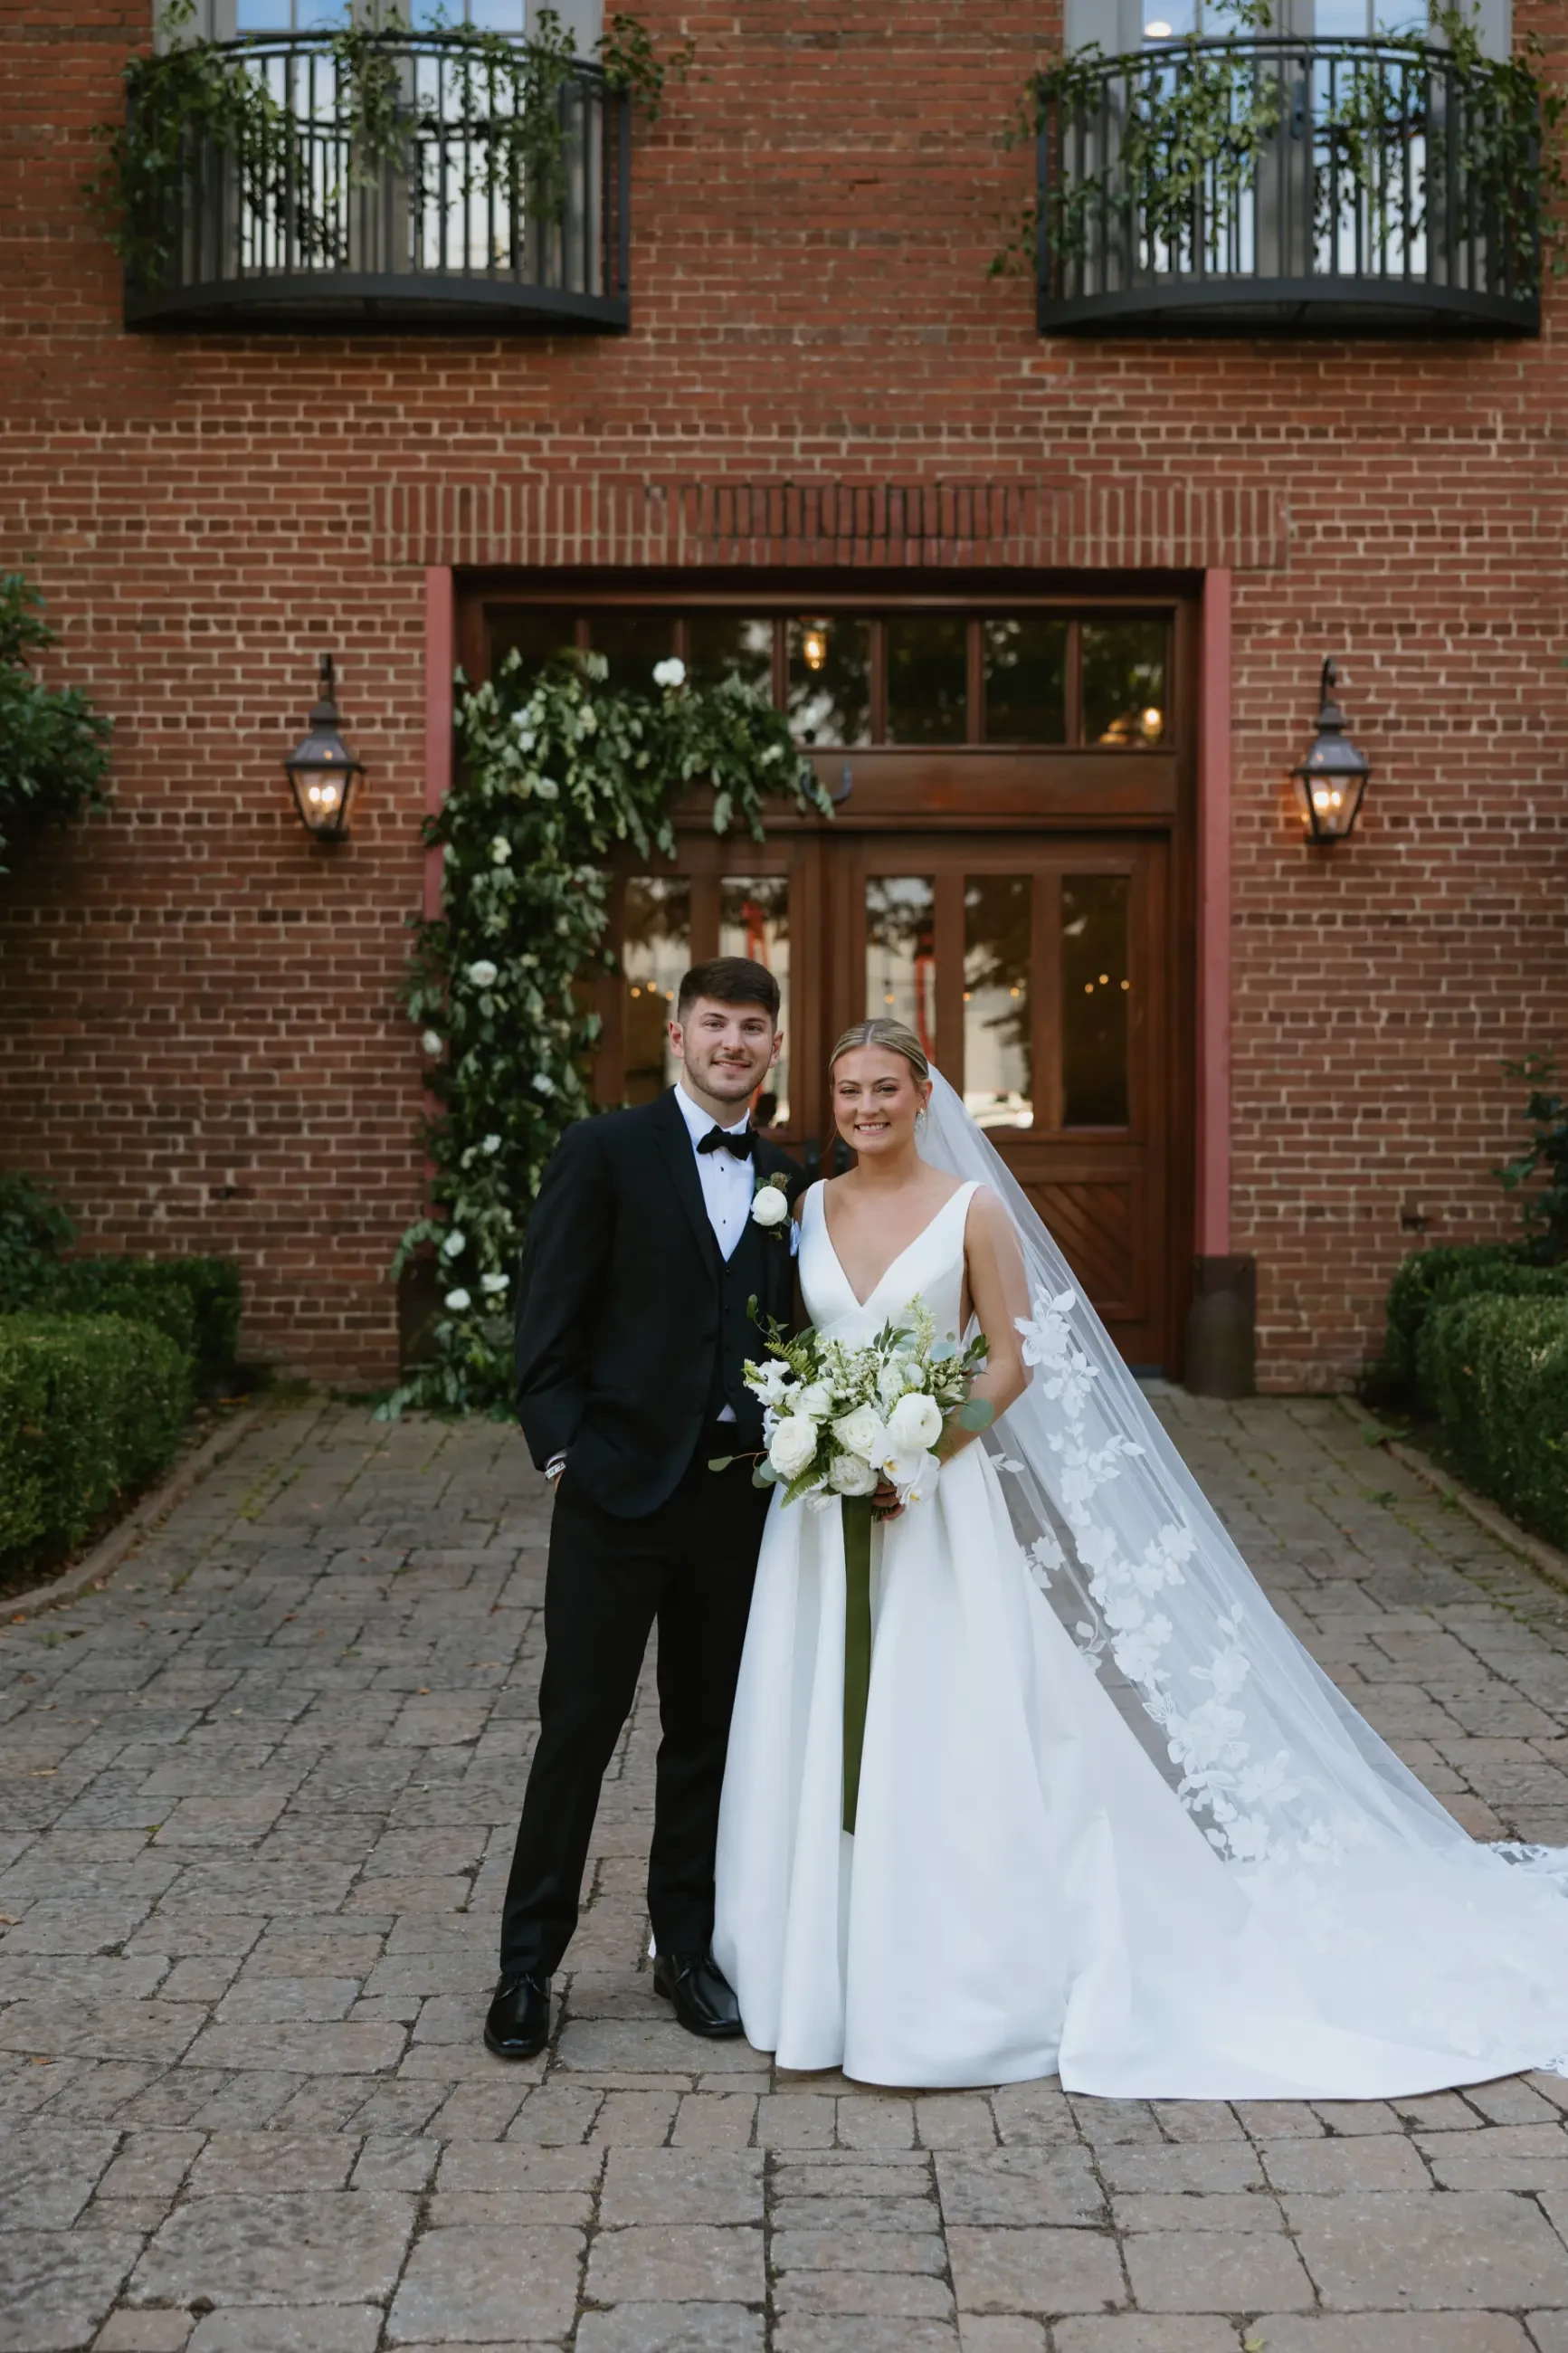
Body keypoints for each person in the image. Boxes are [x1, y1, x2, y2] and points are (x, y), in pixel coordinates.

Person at [713, 1017, 1568, 2095]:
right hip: (817, 1507)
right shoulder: (802, 1209)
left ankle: (950, 1972)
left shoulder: (972, 1210)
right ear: (826, 1100)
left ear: (925, 1092)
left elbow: (1011, 1359)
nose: (865, 1108)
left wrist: (921, 1449)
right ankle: (813, 1958)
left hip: (929, 1501)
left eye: (885, 1087)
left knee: (947, 1716)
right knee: (816, 1709)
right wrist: (826, 1435)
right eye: (846, 1091)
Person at [487, 957, 803, 2061]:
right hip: (615, 1497)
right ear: (676, 1035)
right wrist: (564, 1454)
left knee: (705, 1737)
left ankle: (684, 1948)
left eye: (751, 1026)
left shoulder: (787, 1177)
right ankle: (526, 1965)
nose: (731, 1042)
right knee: (576, 1729)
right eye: (712, 1022)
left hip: (733, 1504)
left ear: (772, 1046)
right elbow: (547, 1319)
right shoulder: (604, 1149)